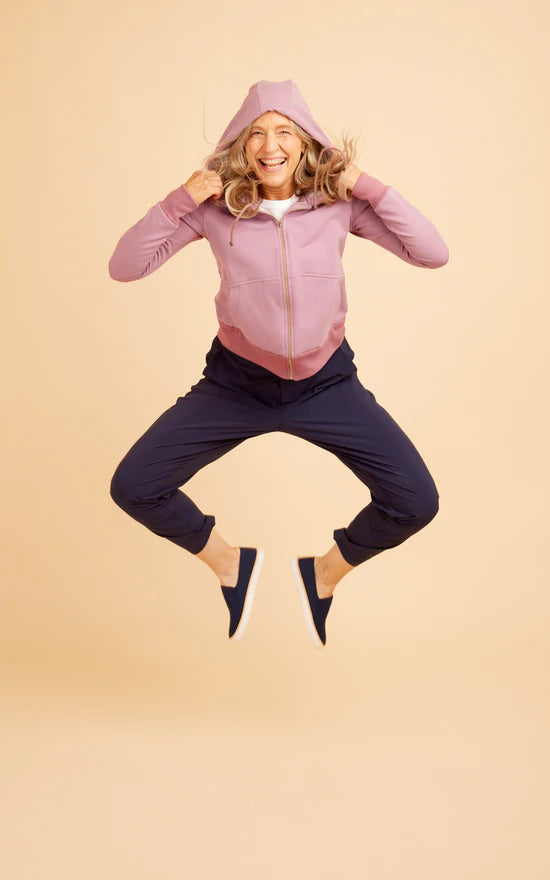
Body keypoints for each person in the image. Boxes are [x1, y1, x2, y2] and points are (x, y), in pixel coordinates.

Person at [108, 79, 449, 648]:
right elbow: (125, 266)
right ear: (240, 145)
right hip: (236, 384)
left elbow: (432, 253)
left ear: (306, 140)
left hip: (326, 385)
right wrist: (180, 199)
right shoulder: (214, 211)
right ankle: (230, 565)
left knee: (416, 501)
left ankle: (322, 575)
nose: (271, 145)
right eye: (257, 133)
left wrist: (365, 184)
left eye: (284, 131)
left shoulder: (338, 205)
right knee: (135, 486)